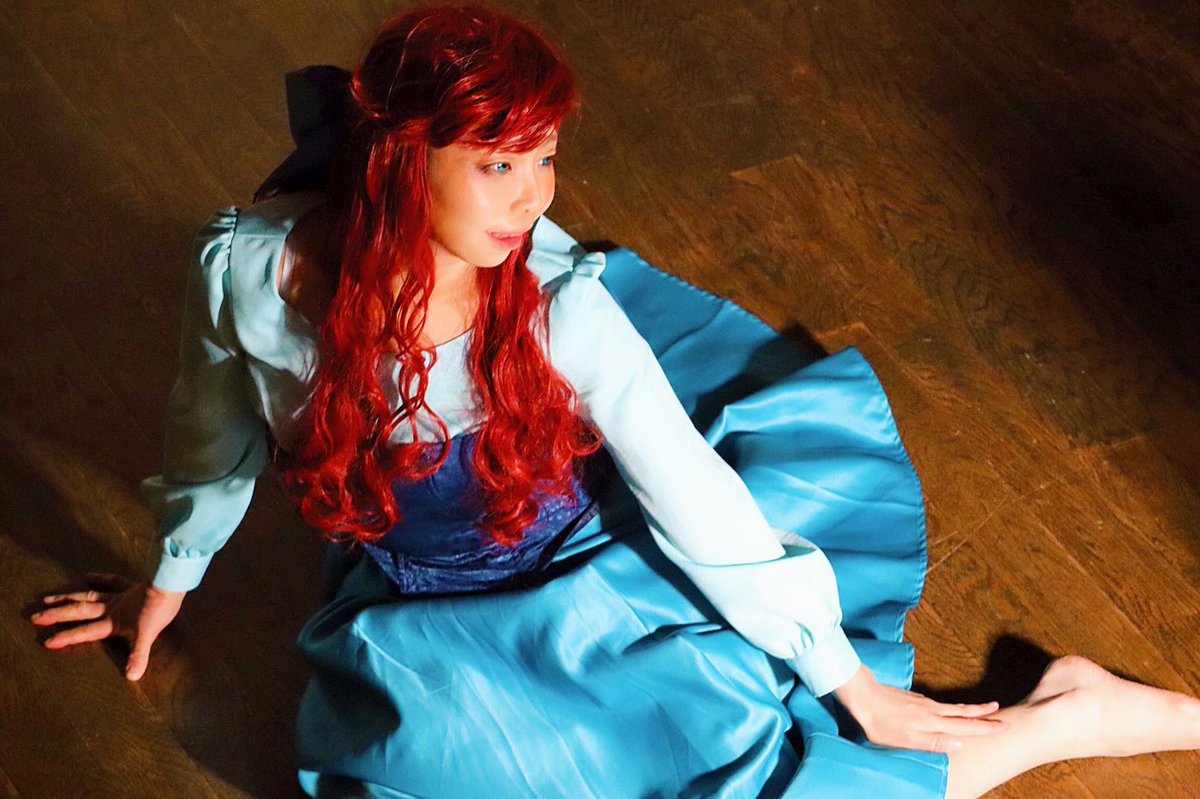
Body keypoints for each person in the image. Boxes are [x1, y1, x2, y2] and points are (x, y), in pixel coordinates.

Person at [31, 5, 1200, 798]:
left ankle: (1065, 717)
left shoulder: (559, 309)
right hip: (421, 610)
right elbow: (213, 437)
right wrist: (165, 586)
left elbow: (697, 499)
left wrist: (850, 684)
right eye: (499, 164)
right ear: (394, 158)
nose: (533, 197)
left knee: (767, 779)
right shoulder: (248, 271)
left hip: (594, 573)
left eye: (545, 158)